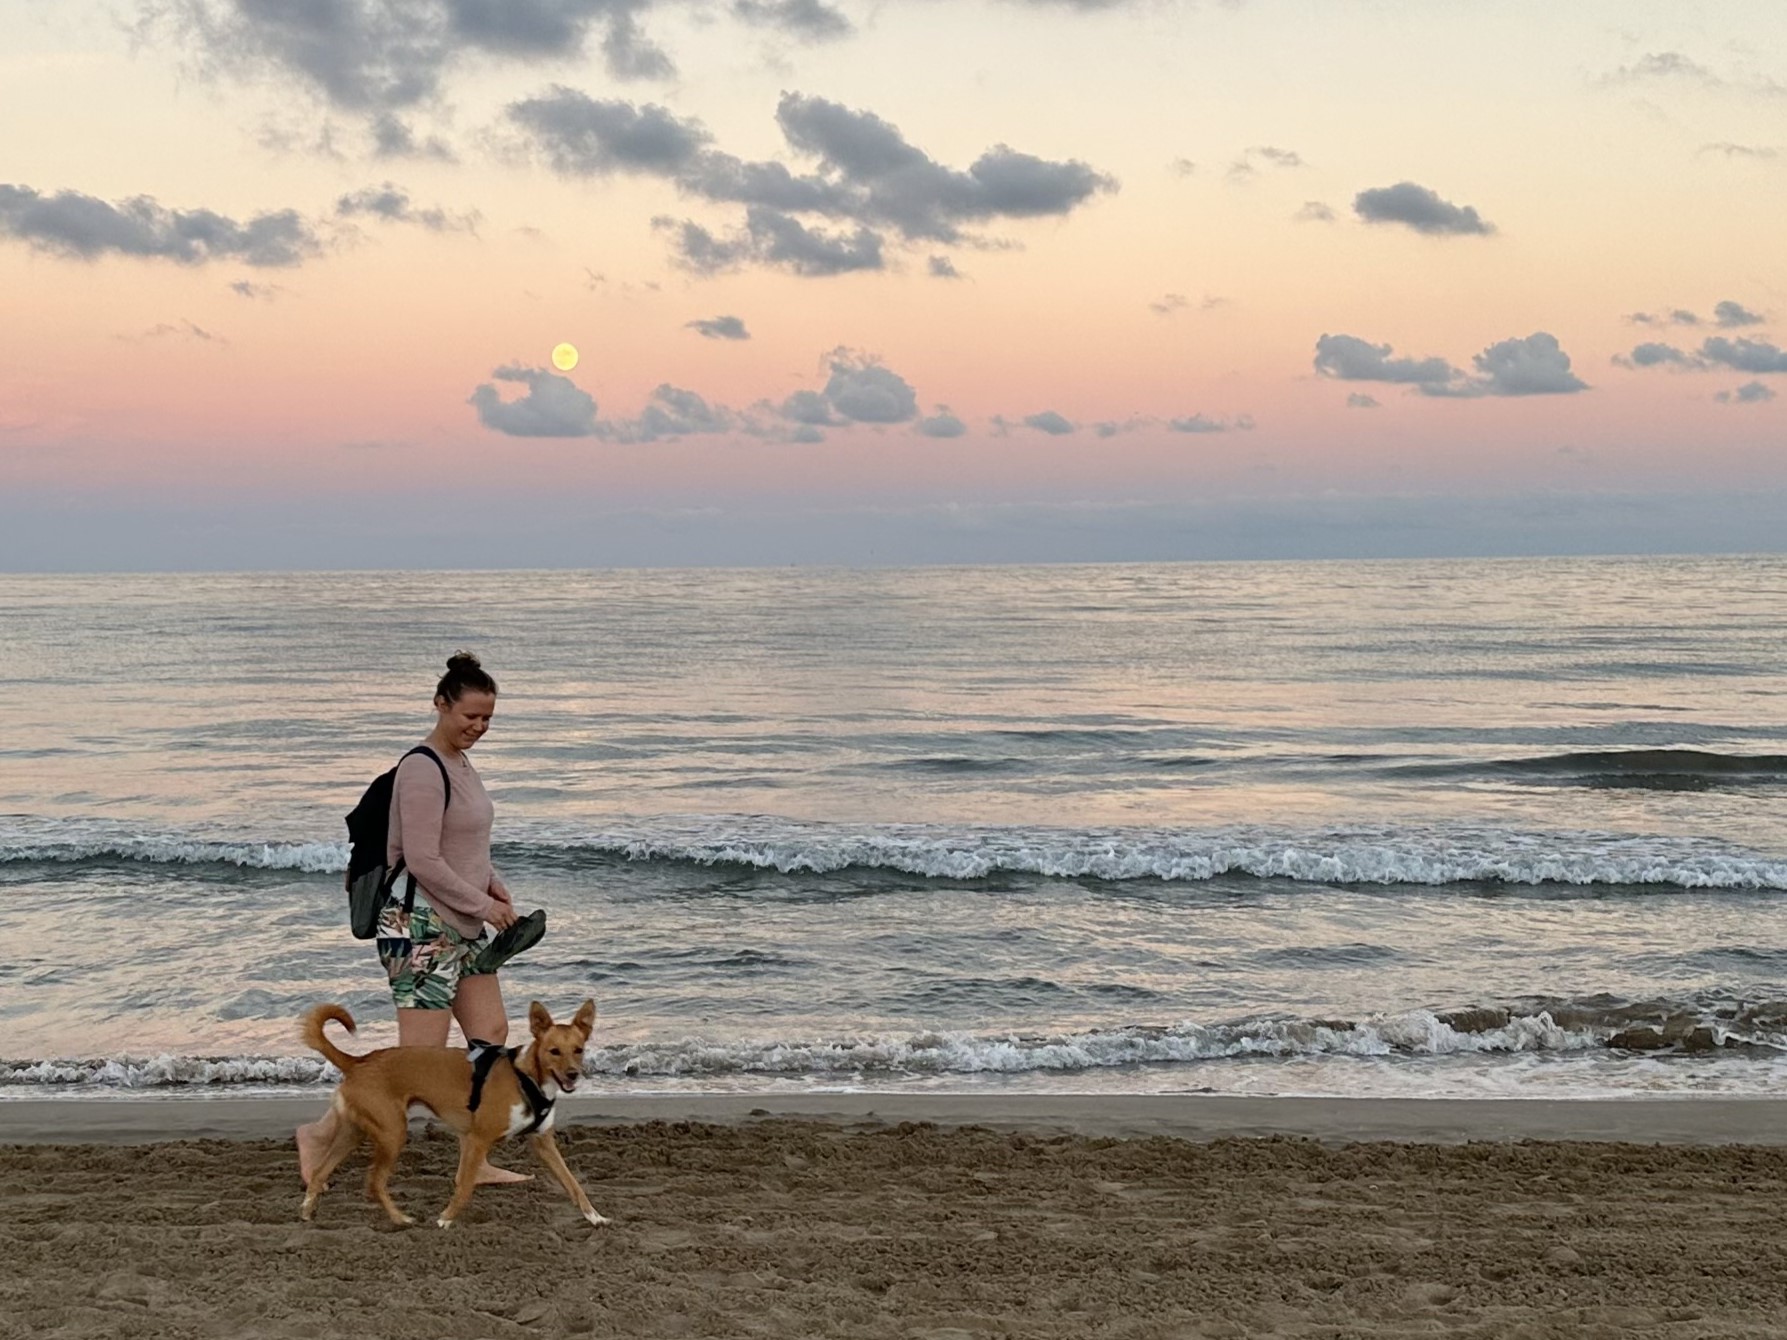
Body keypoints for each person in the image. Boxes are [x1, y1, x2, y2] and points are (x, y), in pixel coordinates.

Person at [297, 651, 539, 1186]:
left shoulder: (461, 763)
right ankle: (318, 1135)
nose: (478, 727)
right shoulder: (421, 768)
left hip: (465, 925)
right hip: (420, 927)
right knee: (421, 1059)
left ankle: (475, 1162)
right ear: (440, 704)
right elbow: (423, 859)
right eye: (469, 716)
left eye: (487, 719)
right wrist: (484, 904)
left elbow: (465, 841)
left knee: (490, 1032)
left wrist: (493, 882)